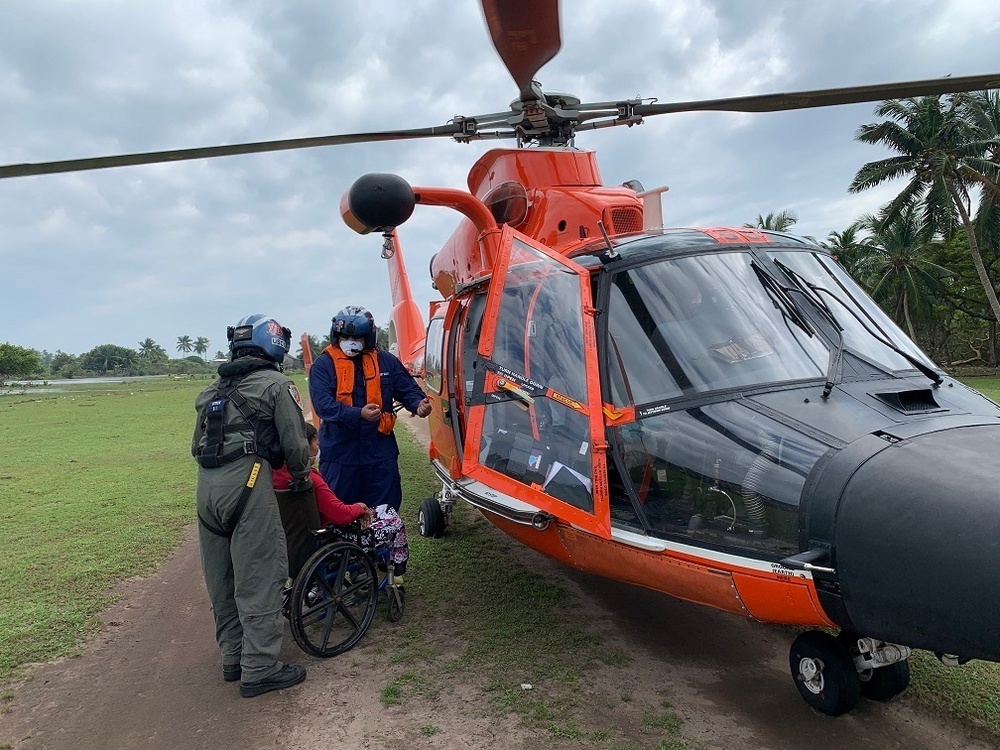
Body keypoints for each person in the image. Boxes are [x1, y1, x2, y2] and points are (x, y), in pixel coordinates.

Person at [192, 313, 310, 698]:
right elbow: (295, 444)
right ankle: (259, 668)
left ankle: (234, 656)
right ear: (274, 344)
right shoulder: (276, 384)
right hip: (247, 482)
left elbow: (196, 447)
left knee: (221, 578)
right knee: (259, 575)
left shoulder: (211, 392)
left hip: (206, 488)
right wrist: (300, 476)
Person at [308, 305, 431, 512]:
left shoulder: (386, 361)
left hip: (380, 453)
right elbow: (323, 406)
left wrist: (418, 404)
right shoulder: (323, 365)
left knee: (386, 510)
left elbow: (406, 388)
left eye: (357, 337)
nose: (350, 341)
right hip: (340, 455)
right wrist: (359, 414)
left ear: (369, 338)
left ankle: (383, 544)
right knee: (340, 512)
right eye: (345, 336)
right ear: (336, 336)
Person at [273, 422, 410, 578]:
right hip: (329, 538)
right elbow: (340, 514)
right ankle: (396, 568)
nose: (318, 447)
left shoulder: (276, 476)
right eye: (316, 443)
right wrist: (360, 507)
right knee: (395, 523)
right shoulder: (309, 480)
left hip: (294, 541)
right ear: (305, 446)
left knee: (386, 509)